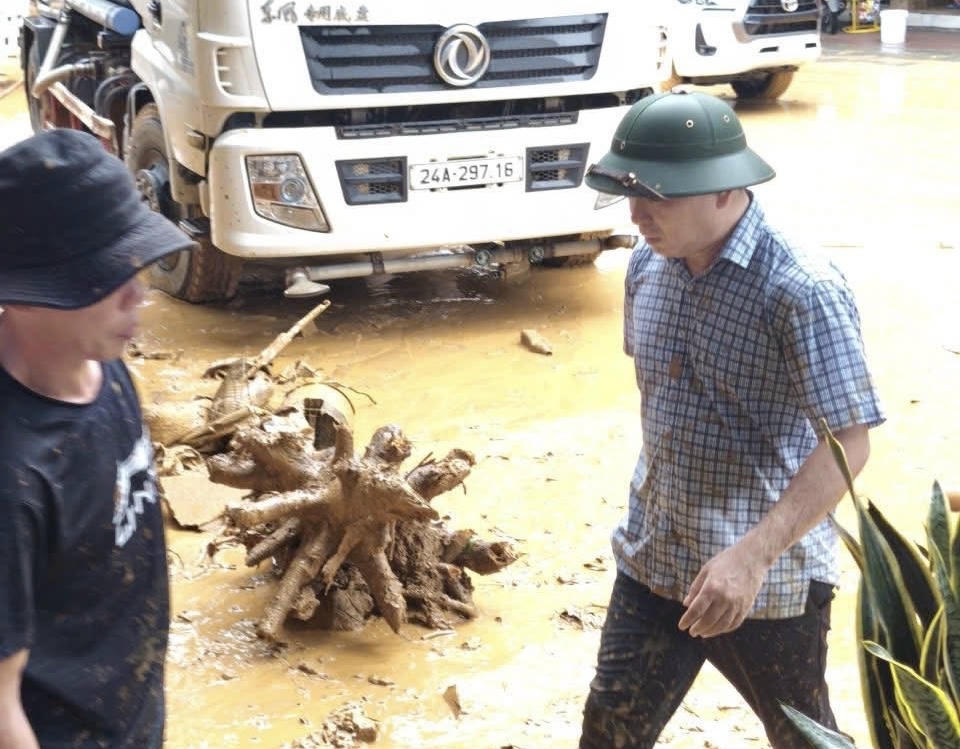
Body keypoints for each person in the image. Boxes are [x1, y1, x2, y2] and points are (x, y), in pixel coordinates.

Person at [578, 91, 884, 749]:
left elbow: (849, 444)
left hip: (765, 581)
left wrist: (750, 556)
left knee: (803, 738)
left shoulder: (802, 288)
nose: (636, 214)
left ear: (724, 191)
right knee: (608, 734)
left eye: (656, 194)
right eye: (629, 192)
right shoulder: (645, 267)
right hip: (655, 556)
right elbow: (662, 404)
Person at [0, 129, 196, 748]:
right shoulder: (15, 475)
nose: (139, 293)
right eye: (108, 276)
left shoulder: (107, 367)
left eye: (135, 265)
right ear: (27, 296)